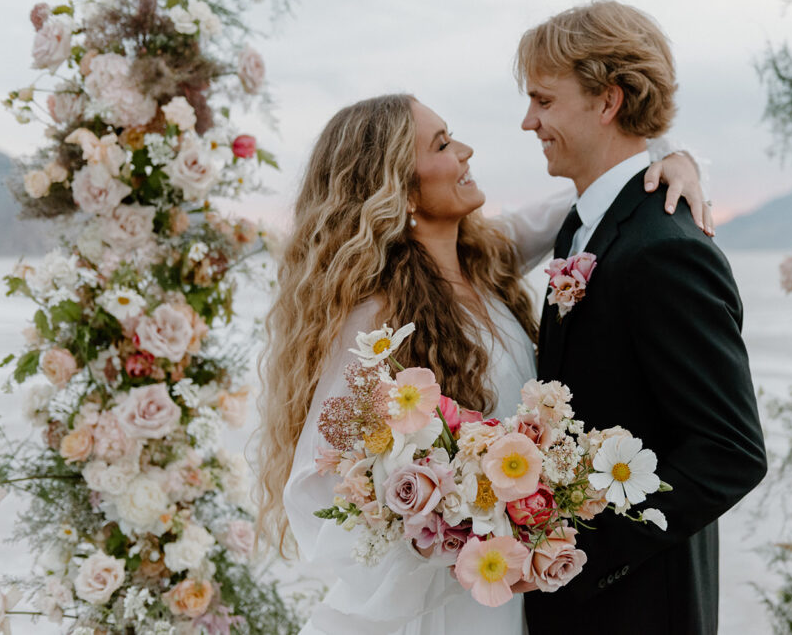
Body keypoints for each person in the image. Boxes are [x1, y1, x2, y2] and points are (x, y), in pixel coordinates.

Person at [256, 93, 709, 634]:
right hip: (443, 601)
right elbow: (323, 476)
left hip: (506, 592)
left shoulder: (487, 261)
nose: (467, 151)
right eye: (443, 144)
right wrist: (448, 511)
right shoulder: (375, 319)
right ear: (398, 190)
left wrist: (673, 159)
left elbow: (591, 201)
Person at [517, 0, 767, 635]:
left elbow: (729, 451)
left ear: (608, 101)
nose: (528, 121)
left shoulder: (666, 250)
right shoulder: (582, 227)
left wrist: (579, 548)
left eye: (544, 101)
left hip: (639, 605)